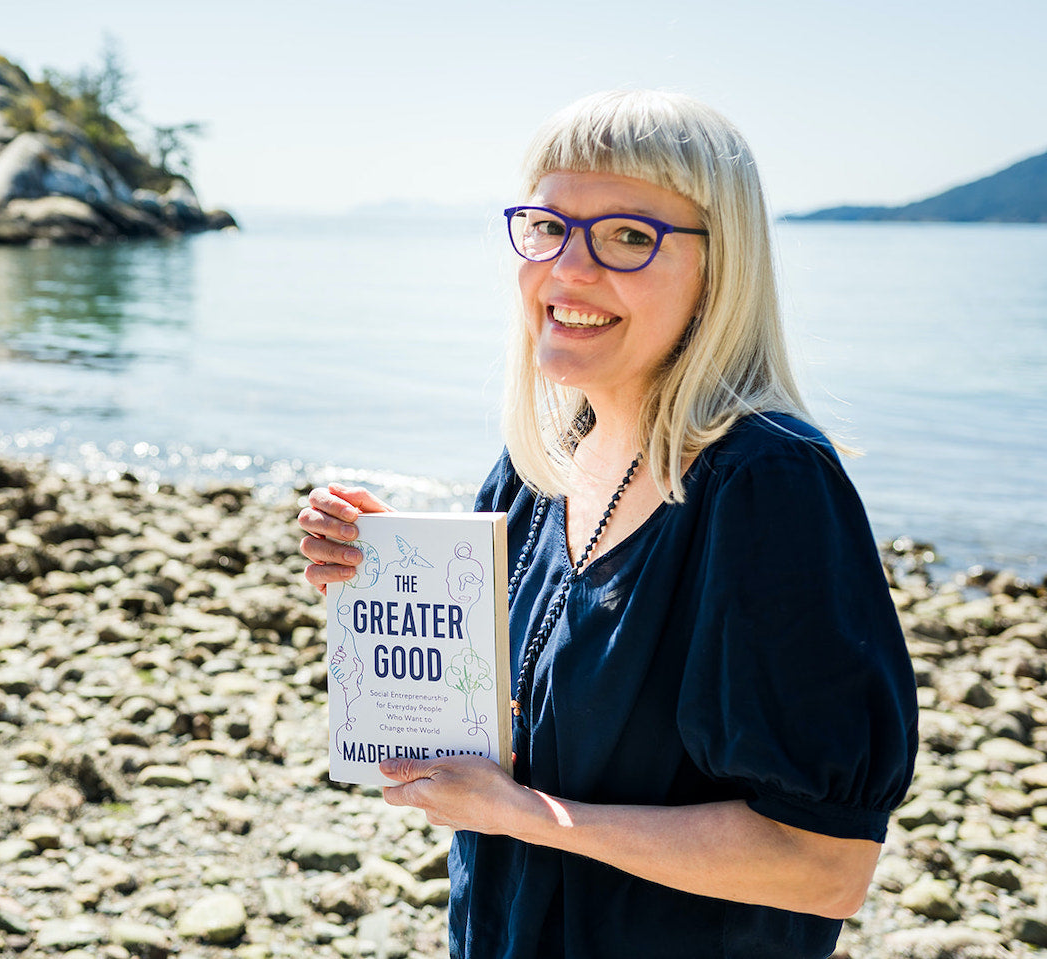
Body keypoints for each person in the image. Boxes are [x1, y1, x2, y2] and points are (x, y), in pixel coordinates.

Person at [297, 90, 917, 959]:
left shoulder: (767, 484)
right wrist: (394, 571)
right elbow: (511, 717)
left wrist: (530, 817)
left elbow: (822, 864)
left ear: (721, 269)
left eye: (630, 236)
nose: (570, 270)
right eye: (549, 228)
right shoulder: (538, 464)